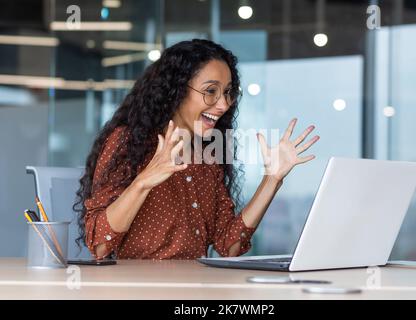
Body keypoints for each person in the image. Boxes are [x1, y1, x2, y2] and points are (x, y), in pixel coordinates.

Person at [74, 39, 319, 260]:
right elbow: (99, 246)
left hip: (195, 288)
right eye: (210, 91)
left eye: (228, 93)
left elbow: (228, 245)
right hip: (138, 289)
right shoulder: (128, 142)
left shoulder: (208, 155)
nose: (223, 104)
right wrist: (144, 181)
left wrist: (272, 179)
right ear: (177, 89)